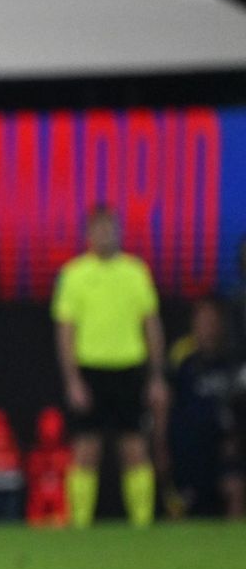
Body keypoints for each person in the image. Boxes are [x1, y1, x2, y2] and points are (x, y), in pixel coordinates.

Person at [52, 206, 166, 528]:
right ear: (88, 234)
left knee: (134, 448)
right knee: (86, 450)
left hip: (129, 368)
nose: (105, 235)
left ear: (119, 231)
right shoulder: (74, 274)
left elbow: (151, 325)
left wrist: (156, 377)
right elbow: (65, 331)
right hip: (91, 371)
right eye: (98, 229)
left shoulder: (135, 272)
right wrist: (73, 380)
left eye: (110, 228)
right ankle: (80, 525)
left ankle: (142, 524)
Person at [164, 298, 243, 518]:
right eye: (202, 322)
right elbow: (166, 401)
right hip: (189, 449)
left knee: (235, 487)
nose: (207, 328)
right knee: (182, 503)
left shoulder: (231, 360)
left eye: (212, 322)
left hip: (223, 448)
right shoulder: (183, 359)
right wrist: (163, 443)